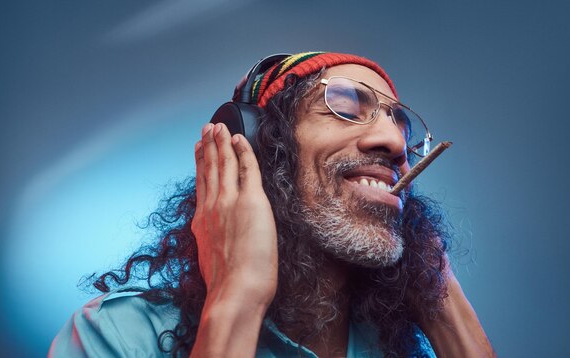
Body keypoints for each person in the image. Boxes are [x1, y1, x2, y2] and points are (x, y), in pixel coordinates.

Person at [49, 52, 494, 357]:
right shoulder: (117, 337)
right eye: (343, 105)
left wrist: (447, 314)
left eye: (400, 125)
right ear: (263, 150)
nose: (396, 142)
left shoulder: (392, 342)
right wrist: (236, 298)